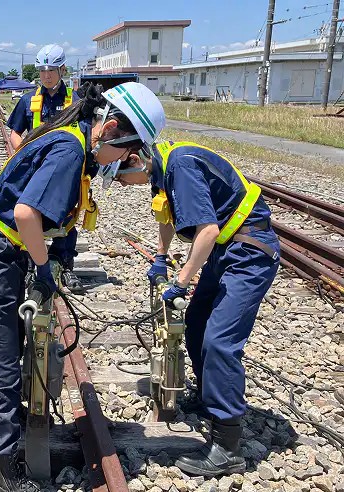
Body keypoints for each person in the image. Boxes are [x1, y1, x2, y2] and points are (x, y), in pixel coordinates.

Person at [0, 82, 165, 491]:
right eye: (125, 151)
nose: (121, 161)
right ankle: (3, 467)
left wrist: (39, 262)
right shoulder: (72, 150)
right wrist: (42, 266)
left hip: (2, 249)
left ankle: (7, 425)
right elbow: (25, 213)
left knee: (9, 345)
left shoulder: (74, 144)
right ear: (109, 129)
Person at [103, 126, 281, 478]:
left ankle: (227, 445)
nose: (126, 186)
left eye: (123, 179)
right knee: (197, 322)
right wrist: (160, 255)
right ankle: (210, 397)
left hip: (250, 251)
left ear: (134, 160)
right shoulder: (163, 167)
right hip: (227, 250)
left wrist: (181, 281)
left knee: (220, 342)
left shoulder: (180, 166)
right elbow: (166, 214)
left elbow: (208, 230)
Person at [7, 43, 85, 294]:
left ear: (62, 69)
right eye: (42, 70)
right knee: (31, 213)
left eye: (51, 70)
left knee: (67, 215)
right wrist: (23, 153)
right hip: (36, 169)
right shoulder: (29, 100)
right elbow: (14, 133)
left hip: (66, 171)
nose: (46, 75)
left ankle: (64, 264)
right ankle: (33, 261)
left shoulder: (76, 101)